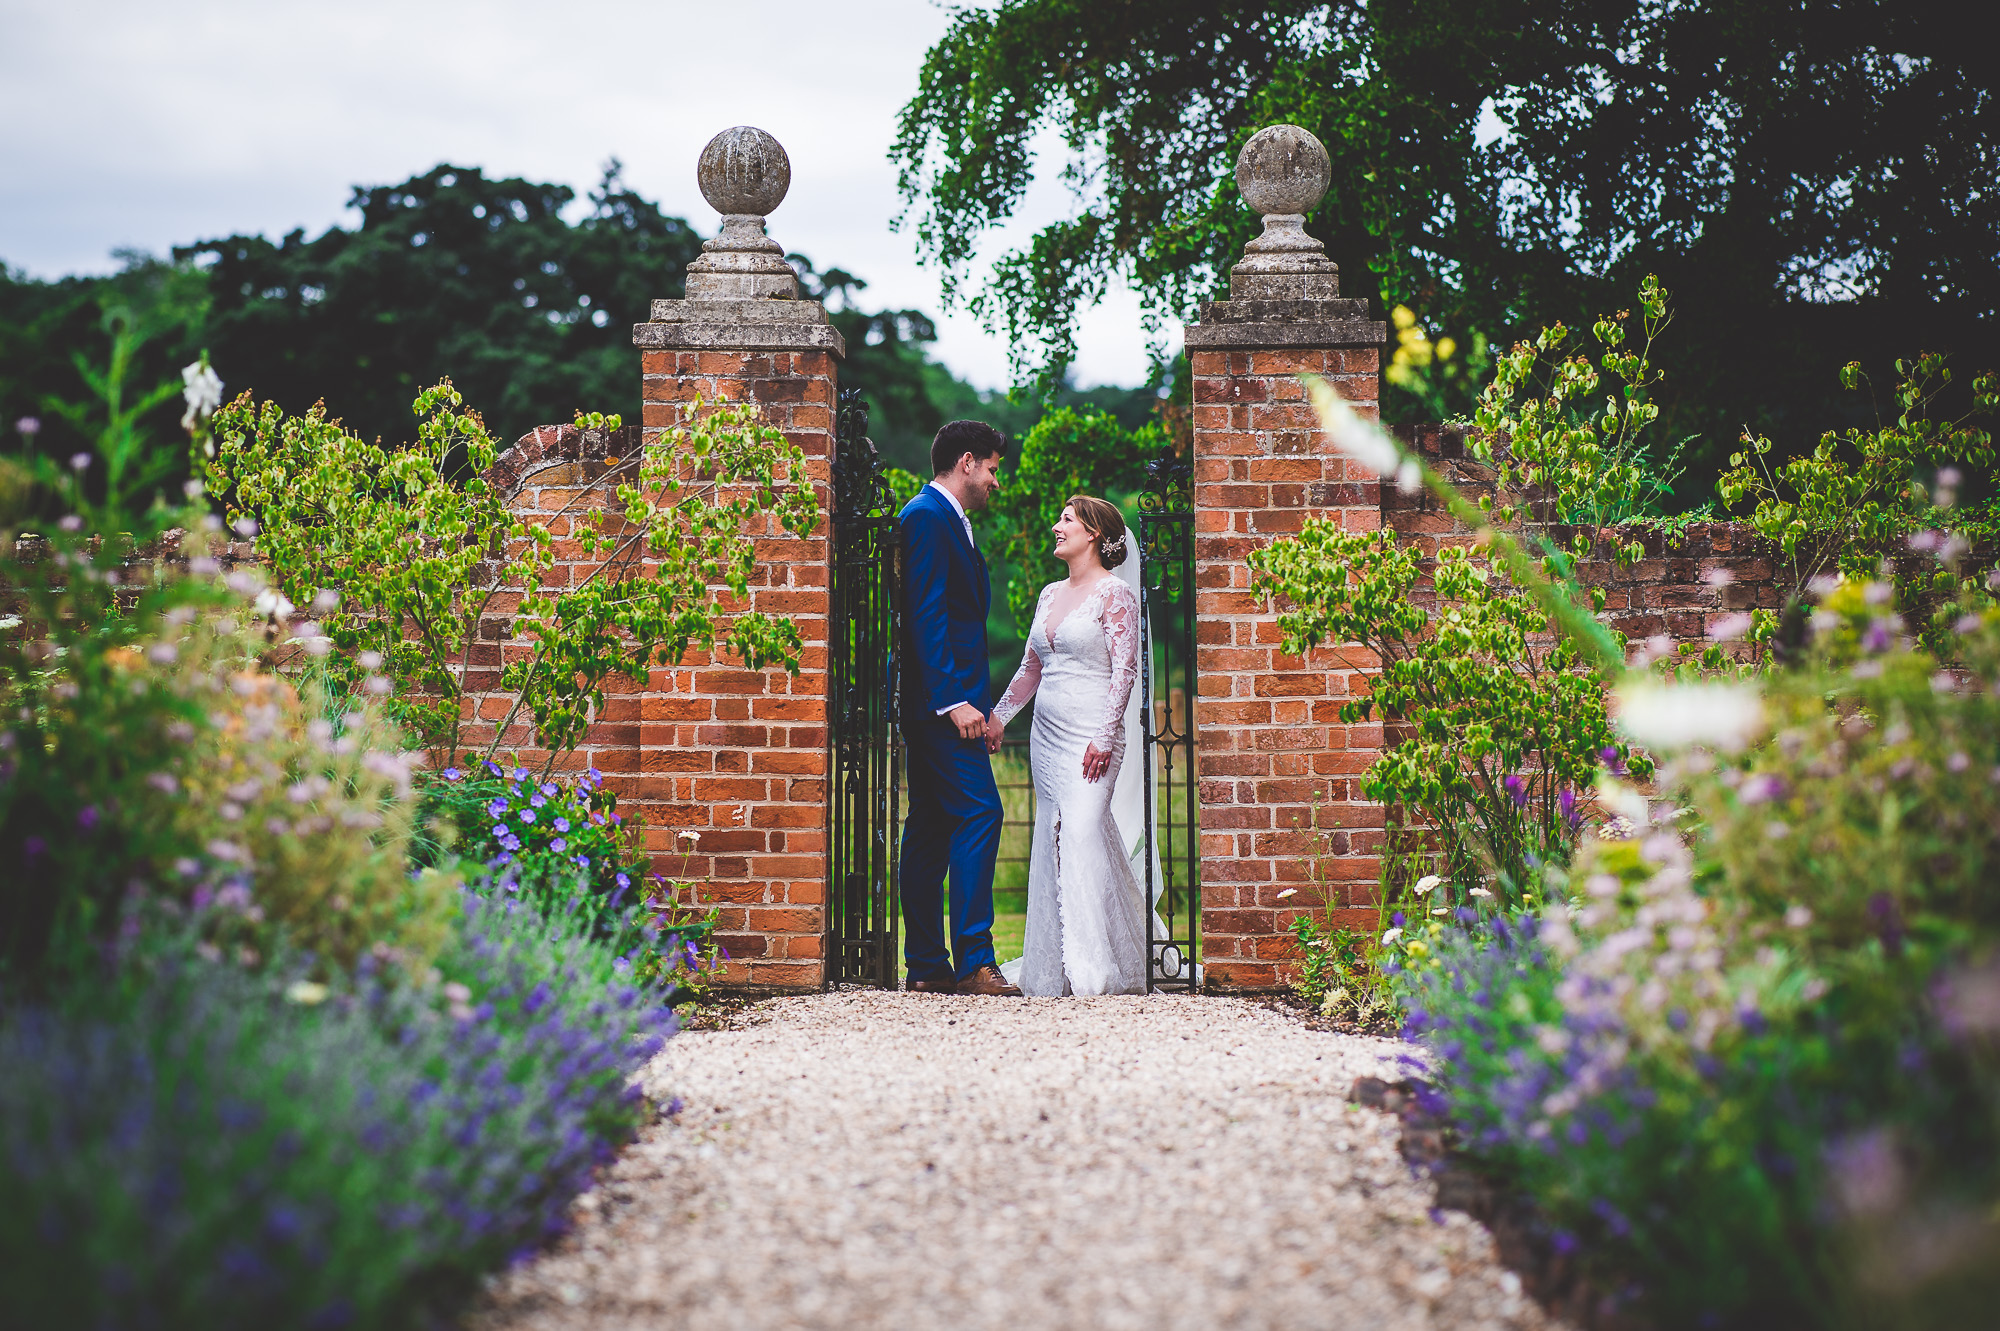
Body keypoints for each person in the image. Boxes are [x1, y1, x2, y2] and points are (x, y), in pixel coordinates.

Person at [987, 495, 1149, 996]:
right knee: (1055, 837)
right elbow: (1031, 667)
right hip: (1047, 735)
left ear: (1094, 533)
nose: (1056, 526)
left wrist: (1105, 733)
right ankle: (1053, 968)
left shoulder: (1115, 594)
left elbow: (1126, 669)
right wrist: (998, 716)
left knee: (1079, 831)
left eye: (1066, 519)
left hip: (1093, 734)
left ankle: (1093, 969)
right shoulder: (1049, 593)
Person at [897, 420, 1020, 996]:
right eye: (993, 468)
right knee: (980, 813)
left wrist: (978, 703)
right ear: (967, 462)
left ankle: (925, 965)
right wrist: (955, 703)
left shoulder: (952, 521)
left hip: (948, 705)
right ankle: (973, 961)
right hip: (942, 708)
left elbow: (959, 621)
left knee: (930, 824)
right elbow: (926, 616)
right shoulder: (925, 516)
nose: (997, 481)